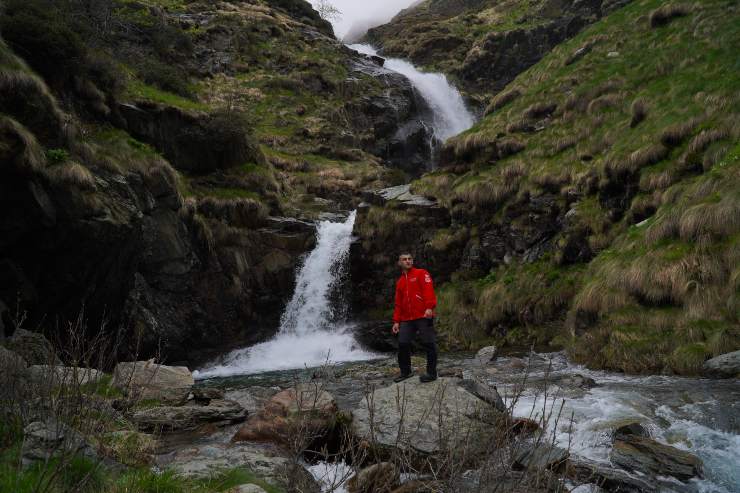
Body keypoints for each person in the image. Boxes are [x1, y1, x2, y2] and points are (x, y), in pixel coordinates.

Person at [391, 253, 438, 383]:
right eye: (404, 259)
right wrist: (396, 321)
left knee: (429, 343)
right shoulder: (400, 282)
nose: (408, 261)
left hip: (423, 315)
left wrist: (429, 307)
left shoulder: (421, 273)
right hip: (406, 318)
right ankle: (406, 372)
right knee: (403, 343)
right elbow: (398, 303)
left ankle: (431, 373)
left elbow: (429, 290)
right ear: (399, 263)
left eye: (410, 259)